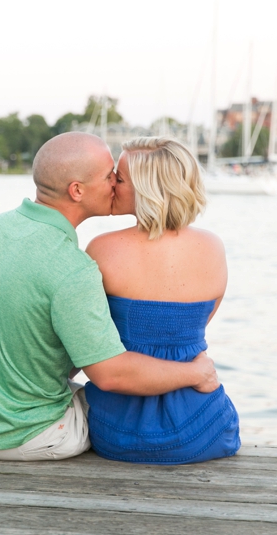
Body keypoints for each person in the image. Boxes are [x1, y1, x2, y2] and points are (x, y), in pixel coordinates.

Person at [0, 132, 219, 461]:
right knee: (115, 409)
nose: (114, 185)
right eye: (110, 177)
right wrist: (197, 373)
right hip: (29, 438)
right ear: (77, 190)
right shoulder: (73, 268)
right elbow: (110, 375)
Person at [84, 137, 240, 464]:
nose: (112, 182)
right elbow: (192, 328)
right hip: (207, 424)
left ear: (147, 189)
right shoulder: (213, 247)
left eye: (120, 178)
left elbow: (88, 340)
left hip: (120, 429)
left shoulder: (103, 248)